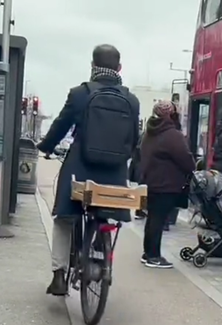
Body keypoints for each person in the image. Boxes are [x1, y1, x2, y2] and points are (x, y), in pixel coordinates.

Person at [37, 44, 140, 295]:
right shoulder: (132, 100)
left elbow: (61, 126)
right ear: (119, 68)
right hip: (114, 175)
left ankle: (59, 274)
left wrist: (46, 147)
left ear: (93, 67)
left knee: (63, 219)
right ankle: (100, 251)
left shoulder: (80, 94)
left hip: (79, 169)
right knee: (106, 213)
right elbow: (134, 139)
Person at [138, 101, 195, 268]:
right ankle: (153, 256)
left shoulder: (150, 132)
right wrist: (192, 167)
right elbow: (186, 159)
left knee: (153, 218)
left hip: (151, 181)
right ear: (171, 115)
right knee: (158, 219)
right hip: (167, 184)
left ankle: (147, 253)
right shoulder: (173, 135)